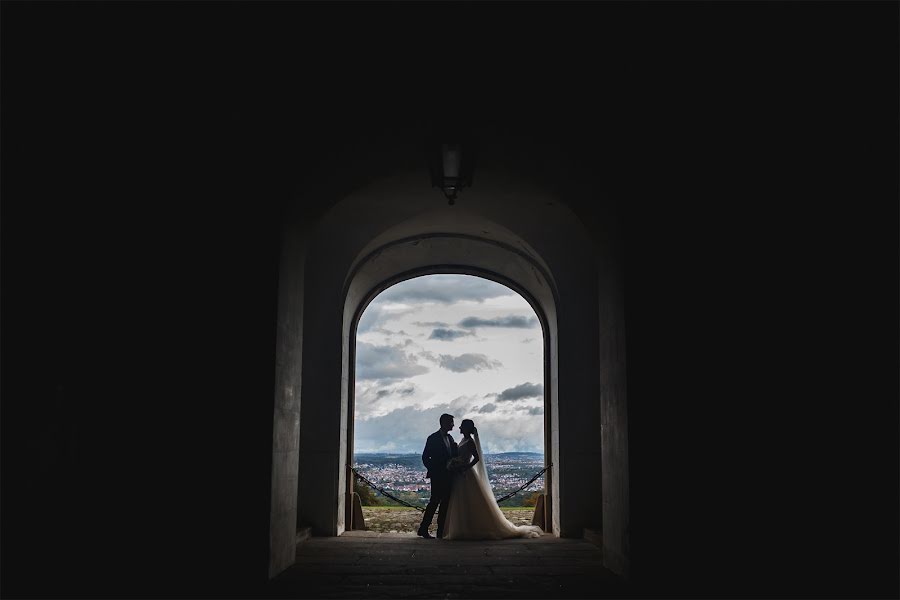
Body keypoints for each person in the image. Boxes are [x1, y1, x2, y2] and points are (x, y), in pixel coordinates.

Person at [443, 419, 543, 540]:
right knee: (462, 500)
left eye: (462, 426)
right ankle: (464, 527)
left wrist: (465, 467)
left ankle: (467, 528)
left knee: (468, 499)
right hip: (460, 474)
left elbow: (476, 458)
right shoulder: (463, 440)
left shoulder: (469, 441)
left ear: (466, 428)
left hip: (466, 473)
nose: (459, 427)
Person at [417, 413, 458, 539]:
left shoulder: (450, 439)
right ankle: (423, 528)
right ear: (444, 423)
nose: (453, 425)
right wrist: (434, 470)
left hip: (449, 476)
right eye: (451, 422)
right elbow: (425, 457)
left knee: (445, 503)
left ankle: (440, 531)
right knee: (434, 502)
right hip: (438, 476)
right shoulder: (433, 438)